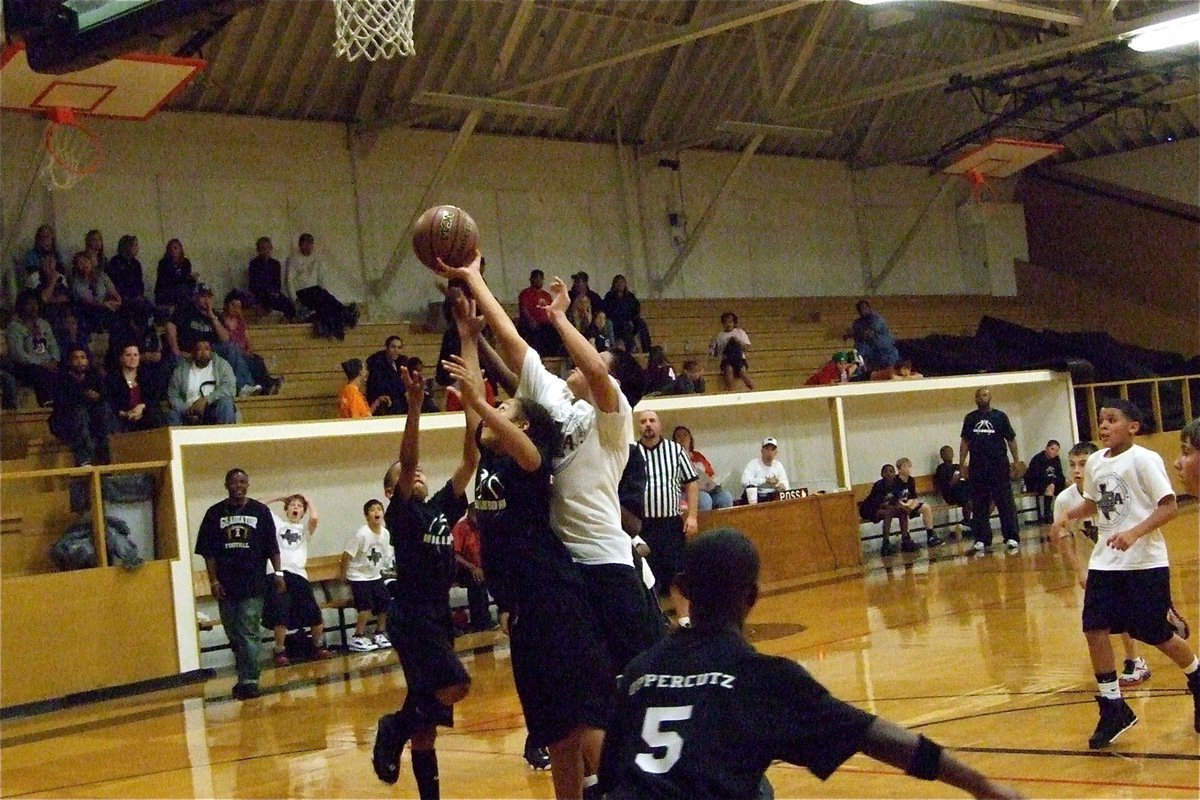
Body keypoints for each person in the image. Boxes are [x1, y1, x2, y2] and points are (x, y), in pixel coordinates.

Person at [596, 528, 1025, 800]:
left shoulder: (638, 671)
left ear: (681, 590)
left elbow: (609, 775)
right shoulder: (762, 679)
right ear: (753, 597)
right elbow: (876, 736)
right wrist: (982, 786)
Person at [437, 255, 662, 689]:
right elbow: (512, 343)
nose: (585, 359)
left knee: (644, 678)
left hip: (607, 563)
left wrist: (559, 317)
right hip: (563, 571)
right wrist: (473, 277)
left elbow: (595, 369)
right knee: (589, 687)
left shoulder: (615, 423)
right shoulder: (557, 400)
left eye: (597, 356)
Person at [440, 318, 614, 800]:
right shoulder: (490, 456)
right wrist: (468, 337)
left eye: (505, 406)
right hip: (523, 610)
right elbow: (477, 417)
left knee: (583, 718)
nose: (495, 407)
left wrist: (479, 401)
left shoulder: (529, 455)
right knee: (553, 731)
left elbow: (526, 450)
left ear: (523, 424)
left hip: (555, 597)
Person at [1050, 398, 1200, 748]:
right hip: (1105, 560)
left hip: (1144, 560)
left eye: (1112, 420)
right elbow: (1094, 503)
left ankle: (1196, 675)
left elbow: (1169, 507)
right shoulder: (1097, 463)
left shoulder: (1144, 459)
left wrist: (1134, 533)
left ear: (1133, 426)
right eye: (1101, 420)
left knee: (1152, 632)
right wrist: (1066, 517)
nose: (1103, 426)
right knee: (1094, 628)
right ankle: (1113, 705)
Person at [371, 352, 478, 794]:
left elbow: (470, 460)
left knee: (428, 720)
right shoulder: (401, 515)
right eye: (407, 476)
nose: (416, 477)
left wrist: (473, 401)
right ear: (393, 488)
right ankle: (393, 727)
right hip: (413, 615)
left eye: (418, 475)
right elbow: (408, 459)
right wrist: (414, 408)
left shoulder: (439, 508)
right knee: (456, 684)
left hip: (434, 615)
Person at [1052, 442, 1151, 688]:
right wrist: (1078, 570)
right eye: (1072, 464)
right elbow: (1064, 539)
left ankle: (1135, 659)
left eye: (1083, 464)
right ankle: (1115, 671)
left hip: (1122, 560)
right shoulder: (1064, 500)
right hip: (1094, 564)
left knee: (1126, 611)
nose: (1077, 470)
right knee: (1097, 623)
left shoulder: (1110, 489)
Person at [195, 468, 284, 701]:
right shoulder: (214, 514)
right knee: (233, 633)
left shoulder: (260, 511)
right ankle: (243, 675)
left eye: (243, 481)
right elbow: (208, 553)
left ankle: (250, 680)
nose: (238, 485)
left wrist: (279, 573)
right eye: (234, 482)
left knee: (249, 632)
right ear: (226, 485)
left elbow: (272, 546)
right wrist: (213, 580)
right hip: (226, 584)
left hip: (253, 582)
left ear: (248, 484)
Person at [262, 494, 334, 666]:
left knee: (314, 613)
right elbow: (259, 505)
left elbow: (315, 517)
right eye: (292, 505)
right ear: (286, 510)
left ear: (303, 512)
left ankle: (317, 645)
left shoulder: (304, 530)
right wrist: (279, 498)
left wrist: (308, 501)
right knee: (281, 613)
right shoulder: (278, 524)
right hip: (277, 574)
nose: (295, 508)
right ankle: (279, 650)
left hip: (298, 575)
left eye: (299, 506)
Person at [636, 410, 699, 598]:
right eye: (643, 421)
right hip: (641, 525)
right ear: (638, 426)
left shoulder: (675, 450)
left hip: (670, 524)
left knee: (677, 575)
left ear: (659, 425)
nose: (648, 424)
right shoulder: (630, 451)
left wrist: (693, 516)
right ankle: (655, 620)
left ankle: (684, 620)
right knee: (646, 576)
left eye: (652, 420)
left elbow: (692, 483)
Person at [165, 283, 260, 396]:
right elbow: (170, 325)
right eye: (203, 296)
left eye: (209, 297)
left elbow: (225, 339)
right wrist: (176, 349)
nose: (206, 300)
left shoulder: (215, 315)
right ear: (196, 297)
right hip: (189, 351)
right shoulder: (185, 309)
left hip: (210, 353)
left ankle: (245, 386)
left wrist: (212, 316)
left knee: (232, 348)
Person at [960, 387, 1021, 553]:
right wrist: (961, 463)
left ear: (990, 398)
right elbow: (965, 441)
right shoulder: (970, 418)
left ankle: (1011, 537)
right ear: (975, 399)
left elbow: (1011, 439)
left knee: (1005, 502)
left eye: (985, 395)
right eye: (979, 395)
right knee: (979, 504)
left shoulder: (1000, 417)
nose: (982, 398)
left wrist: (1016, 461)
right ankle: (981, 539)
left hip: (999, 466)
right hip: (978, 468)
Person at [341, 499, 393, 652]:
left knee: (385, 602)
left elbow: (385, 555)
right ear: (366, 516)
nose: (376, 512)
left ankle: (380, 632)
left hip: (374, 575)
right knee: (366, 606)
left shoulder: (385, 533)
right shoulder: (361, 534)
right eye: (372, 510)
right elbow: (346, 556)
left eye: (379, 509)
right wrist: (343, 575)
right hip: (358, 576)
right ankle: (358, 635)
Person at [285, 233, 357, 340]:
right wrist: (294, 299)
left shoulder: (317, 260)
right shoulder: (293, 260)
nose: (308, 246)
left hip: (316, 292)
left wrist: (323, 291)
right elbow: (289, 281)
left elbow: (321, 280)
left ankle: (341, 323)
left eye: (310, 243)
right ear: (300, 245)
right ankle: (345, 312)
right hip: (302, 293)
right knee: (323, 297)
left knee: (326, 303)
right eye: (306, 243)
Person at [49, 346, 113, 466]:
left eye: (83, 357)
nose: (80, 361)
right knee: (80, 411)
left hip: (93, 417)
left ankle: (107, 454)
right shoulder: (61, 379)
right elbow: (63, 403)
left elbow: (105, 396)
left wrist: (97, 397)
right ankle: (83, 458)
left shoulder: (95, 376)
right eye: (75, 358)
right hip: (67, 419)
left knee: (104, 409)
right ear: (69, 361)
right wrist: (84, 395)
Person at [221, 292, 282, 394]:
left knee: (257, 360)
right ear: (226, 305)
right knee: (246, 361)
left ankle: (266, 386)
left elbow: (247, 339)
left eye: (238, 307)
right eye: (233, 305)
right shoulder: (221, 319)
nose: (235, 309)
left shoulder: (240, 321)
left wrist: (249, 350)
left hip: (244, 353)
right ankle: (262, 385)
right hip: (233, 354)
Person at [6, 289, 60, 406]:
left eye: (35, 303)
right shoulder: (15, 327)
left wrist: (54, 360)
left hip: (46, 363)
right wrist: (41, 363)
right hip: (26, 367)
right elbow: (18, 354)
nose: (33, 307)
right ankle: (46, 402)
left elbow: (53, 346)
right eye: (29, 304)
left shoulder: (44, 325)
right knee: (37, 372)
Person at [166, 340, 238, 426]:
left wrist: (207, 400)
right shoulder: (181, 370)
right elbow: (173, 394)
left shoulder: (222, 365)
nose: (203, 352)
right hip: (187, 411)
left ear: (211, 351)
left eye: (206, 349)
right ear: (193, 352)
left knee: (226, 402)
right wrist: (188, 410)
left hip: (212, 408)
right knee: (172, 415)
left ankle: (226, 437)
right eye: (199, 349)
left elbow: (230, 388)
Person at [451, 506, 494, 633]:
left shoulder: (483, 527)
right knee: (476, 579)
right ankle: (480, 622)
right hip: (464, 568)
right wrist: (472, 567)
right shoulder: (461, 528)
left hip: (481, 566)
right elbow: (454, 554)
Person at [104, 343, 165, 432]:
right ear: (121, 358)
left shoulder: (146, 376)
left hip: (143, 414)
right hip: (122, 417)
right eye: (128, 355)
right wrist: (125, 413)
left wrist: (142, 407)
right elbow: (110, 402)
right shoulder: (112, 379)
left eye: (135, 355)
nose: (133, 358)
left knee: (156, 415)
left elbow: (154, 398)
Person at [858, 464, 916, 557]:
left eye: (891, 471)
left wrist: (903, 507)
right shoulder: (879, 485)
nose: (888, 474)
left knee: (902, 512)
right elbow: (877, 503)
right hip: (870, 509)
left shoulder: (897, 484)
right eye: (886, 472)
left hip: (888, 508)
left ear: (894, 473)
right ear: (882, 474)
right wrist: (893, 507)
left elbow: (896, 501)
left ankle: (906, 539)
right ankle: (885, 543)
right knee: (888, 513)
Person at [672, 426, 733, 511]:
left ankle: (723, 524)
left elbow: (710, 474)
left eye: (685, 435)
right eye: (678, 436)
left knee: (726, 496)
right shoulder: (673, 458)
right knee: (704, 499)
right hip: (688, 492)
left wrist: (714, 482)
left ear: (690, 439)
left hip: (708, 490)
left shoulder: (698, 456)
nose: (682, 438)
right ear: (674, 441)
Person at [69, 251, 121, 334]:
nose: (84, 265)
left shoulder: (102, 276)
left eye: (86, 261)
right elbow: (88, 300)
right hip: (88, 309)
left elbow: (113, 292)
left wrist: (116, 301)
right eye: (80, 263)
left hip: (107, 306)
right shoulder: (77, 282)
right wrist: (105, 304)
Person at [246, 236, 297, 320]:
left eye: (268, 248)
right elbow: (253, 285)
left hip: (273, 294)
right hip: (260, 295)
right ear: (258, 250)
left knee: (290, 305)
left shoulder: (275, 264)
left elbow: (277, 282)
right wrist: (266, 292)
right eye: (263, 248)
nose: (266, 251)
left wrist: (275, 292)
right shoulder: (253, 264)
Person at [106, 234, 154, 324]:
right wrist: (128, 297)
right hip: (122, 297)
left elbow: (140, 282)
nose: (137, 248)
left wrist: (139, 295)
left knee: (149, 307)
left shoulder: (136, 264)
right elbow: (116, 283)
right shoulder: (115, 262)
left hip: (136, 296)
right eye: (135, 245)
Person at [896, 457, 942, 547]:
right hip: (899, 505)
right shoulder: (896, 481)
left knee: (926, 507)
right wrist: (906, 506)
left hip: (909, 504)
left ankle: (930, 535)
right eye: (905, 467)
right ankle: (906, 538)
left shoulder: (911, 480)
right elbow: (896, 499)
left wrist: (910, 505)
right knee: (904, 512)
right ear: (899, 469)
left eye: (909, 466)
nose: (908, 469)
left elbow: (914, 497)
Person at [844, 299, 899, 372]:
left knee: (889, 371)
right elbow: (851, 334)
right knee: (859, 348)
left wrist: (854, 334)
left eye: (864, 308)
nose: (863, 311)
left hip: (886, 352)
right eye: (860, 310)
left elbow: (868, 334)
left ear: (869, 308)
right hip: (873, 353)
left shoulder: (876, 319)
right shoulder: (858, 322)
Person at [603, 274, 651, 354]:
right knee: (625, 326)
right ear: (614, 285)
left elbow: (636, 309)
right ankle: (630, 348)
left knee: (642, 324)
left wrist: (633, 319)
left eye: (622, 282)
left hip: (630, 321)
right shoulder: (609, 296)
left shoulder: (630, 296)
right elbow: (608, 311)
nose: (620, 284)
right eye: (618, 282)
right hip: (615, 323)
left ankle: (647, 349)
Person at [516, 269, 559, 357]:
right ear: (531, 279)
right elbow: (524, 309)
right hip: (531, 325)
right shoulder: (525, 293)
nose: (539, 281)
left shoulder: (547, 295)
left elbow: (551, 310)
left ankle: (553, 357)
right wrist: (531, 321)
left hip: (546, 324)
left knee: (557, 332)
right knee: (538, 333)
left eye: (541, 278)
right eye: (536, 278)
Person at [1025, 439, 1067, 524]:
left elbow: (1059, 473)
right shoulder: (1038, 459)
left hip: (1051, 482)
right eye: (1052, 449)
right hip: (1035, 483)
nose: (1054, 452)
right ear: (1046, 448)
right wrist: (1052, 481)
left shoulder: (1056, 459)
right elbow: (1038, 476)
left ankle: (1067, 511)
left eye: (1056, 451)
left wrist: (1062, 481)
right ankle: (1047, 515)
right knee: (1050, 487)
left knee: (1068, 483)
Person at [710, 312, 754, 391]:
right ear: (722, 323)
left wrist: (738, 341)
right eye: (726, 322)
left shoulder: (739, 332)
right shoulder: (719, 336)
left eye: (730, 322)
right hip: (727, 359)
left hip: (739, 358)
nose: (728, 325)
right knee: (728, 369)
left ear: (734, 323)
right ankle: (731, 391)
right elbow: (716, 352)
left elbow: (746, 347)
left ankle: (753, 389)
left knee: (742, 372)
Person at [364, 335, 408, 414]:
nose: (396, 350)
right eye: (393, 347)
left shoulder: (401, 363)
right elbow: (384, 387)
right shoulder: (377, 365)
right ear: (387, 347)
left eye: (399, 347)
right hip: (383, 407)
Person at [934, 444, 972, 533]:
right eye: (947, 453)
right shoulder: (941, 468)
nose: (949, 454)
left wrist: (967, 473)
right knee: (967, 500)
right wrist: (956, 477)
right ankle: (967, 520)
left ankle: (978, 521)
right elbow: (946, 485)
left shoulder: (957, 466)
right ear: (942, 456)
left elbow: (965, 479)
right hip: (951, 493)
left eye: (951, 452)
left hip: (962, 488)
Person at [154, 238, 197, 309]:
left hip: (181, 290)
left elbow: (186, 277)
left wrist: (192, 278)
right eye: (171, 249)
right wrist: (184, 277)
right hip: (165, 291)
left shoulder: (186, 262)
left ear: (180, 249)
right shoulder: (164, 263)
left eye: (175, 248)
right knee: (182, 290)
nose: (173, 251)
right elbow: (168, 280)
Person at [741, 437, 788, 501]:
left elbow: (785, 484)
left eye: (772, 450)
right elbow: (744, 482)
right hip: (757, 497)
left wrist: (781, 487)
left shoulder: (778, 465)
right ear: (762, 451)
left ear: (776, 452)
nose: (770, 452)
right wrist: (765, 481)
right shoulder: (753, 464)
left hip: (773, 496)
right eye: (767, 449)